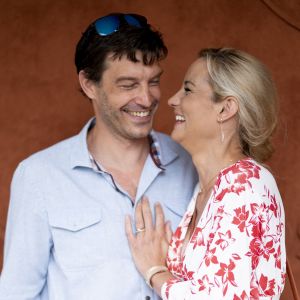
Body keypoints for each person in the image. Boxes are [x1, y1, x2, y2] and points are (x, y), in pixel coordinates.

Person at [0, 13, 197, 300]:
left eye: (153, 81)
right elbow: (16, 294)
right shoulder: (39, 176)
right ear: (89, 84)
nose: (146, 98)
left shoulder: (190, 164)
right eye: (128, 85)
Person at [126, 48, 286, 299]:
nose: (172, 100)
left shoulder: (245, 185)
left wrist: (155, 272)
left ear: (225, 109)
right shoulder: (208, 189)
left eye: (188, 90)